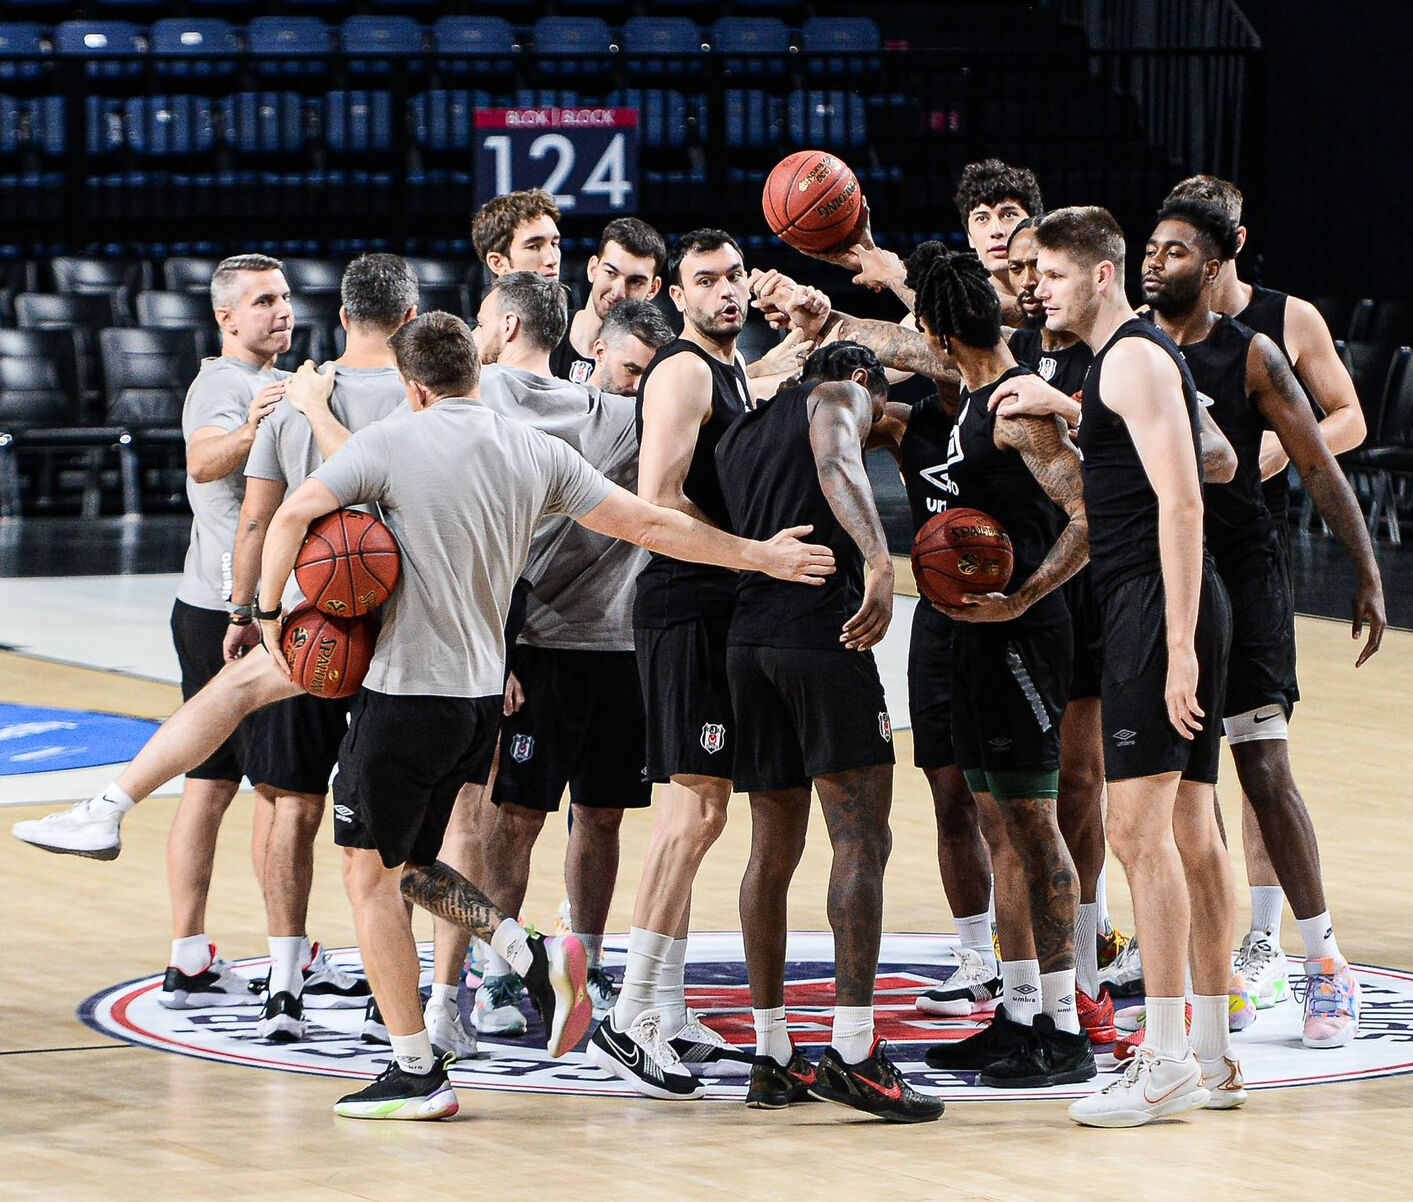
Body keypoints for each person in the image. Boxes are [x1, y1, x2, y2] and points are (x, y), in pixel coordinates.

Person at [252, 312, 834, 1119]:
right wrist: (760, 555)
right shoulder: (535, 451)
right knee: (412, 864)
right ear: (475, 373)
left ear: (413, 387)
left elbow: (291, 516)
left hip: (405, 691)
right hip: (479, 700)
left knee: (366, 876)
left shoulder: (388, 440)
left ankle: (415, 1070)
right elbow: (649, 522)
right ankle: (530, 956)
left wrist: (267, 611)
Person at [1000, 206, 1237, 1128]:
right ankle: (1209, 1053)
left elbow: (1182, 504)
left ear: (1100, 275)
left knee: (1139, 835)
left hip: (1155, 605)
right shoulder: (1118, 366)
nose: (1038, 291)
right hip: (1163, 603)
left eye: (1053, 275)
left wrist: (1175, 646)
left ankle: (1165, 1057)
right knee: (1189, 830)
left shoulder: (1132, 359)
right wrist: (1066, 409)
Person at [14, 255, 291, 1010]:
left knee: (218, 782)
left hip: (228, 603)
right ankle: (279, 961)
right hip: (229, 609)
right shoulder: (223, 384)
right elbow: (202, 462)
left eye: (284, 297)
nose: (281, 310)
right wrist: (257, 426)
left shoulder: (273, 380)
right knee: (269, 789)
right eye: (262, 301)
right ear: (225, 317)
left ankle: (192, 957)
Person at [1142, 196, 1385, 1048]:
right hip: (1155, 582)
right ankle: (1215, 966)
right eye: (1149, 247)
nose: (1154, 261)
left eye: (1174, 250)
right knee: (1180, 787)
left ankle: (1322, 961)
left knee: (1263, 768)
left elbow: (1321, 458)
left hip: (1242, 577)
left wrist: (1365, 572)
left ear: (1215, 263)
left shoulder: (1254, 348)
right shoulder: (1130, 347)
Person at [710, 339, 942, 1121]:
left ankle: (771, 1056)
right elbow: (838, 458)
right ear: (860, 380)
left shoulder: (741, 428)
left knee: (769, 851)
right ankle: (853, 1051)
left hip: (746, 643)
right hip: (821, 637)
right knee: (860, 839)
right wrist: (879, 560)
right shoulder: (837, 395)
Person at [886, 245, 1095, 1090]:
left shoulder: (1013, 411)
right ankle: (1017, 1012)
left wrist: (1025, 596)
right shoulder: (971, 400)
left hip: (1022, 638)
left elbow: (1090, 512)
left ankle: (1066, 1028)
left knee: (1035, 827)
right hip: (971, 637)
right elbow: (884, 342)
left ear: (938, 336)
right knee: (997, 825)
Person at [222, 254, 418, 1043]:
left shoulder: (293, 399)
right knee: (396, 829)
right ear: (410, 320)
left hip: (303, 628)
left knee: (292, 803)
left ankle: (283, 983)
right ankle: (388, 998)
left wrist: (246, 612)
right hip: (399, 635)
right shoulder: (422, 400)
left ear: (342, 316)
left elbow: (257, 520)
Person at [587, 229, 757, 1098]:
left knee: (701, 812)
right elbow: (656, 499)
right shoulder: (684, 371)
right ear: (677, 296)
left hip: (715, 603)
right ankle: (630, 1016)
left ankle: (666, 1003)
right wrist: (753, 554)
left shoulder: (732, 368)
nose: (726, 290)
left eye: (734, 275)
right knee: (691, 813)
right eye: (706, 280)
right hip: (684, 605)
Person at [1005, 219, 1124, 1015]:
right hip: (1016, 586)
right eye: (1020, 270)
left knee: (1081, 782)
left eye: (1042, 269)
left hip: (1087, 584)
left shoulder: (1113, 354)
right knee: (1009, 793)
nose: (1031, 283)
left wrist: (1062, 404)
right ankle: (1017, 974)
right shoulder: (1006, 350)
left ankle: (1083, 967)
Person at [551, 217, 666, 384]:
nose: (619, 292)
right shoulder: (543, 333)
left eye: (635, 282)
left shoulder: (659, 363)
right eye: (611, 273)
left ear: (653, 288)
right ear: (593, 269)